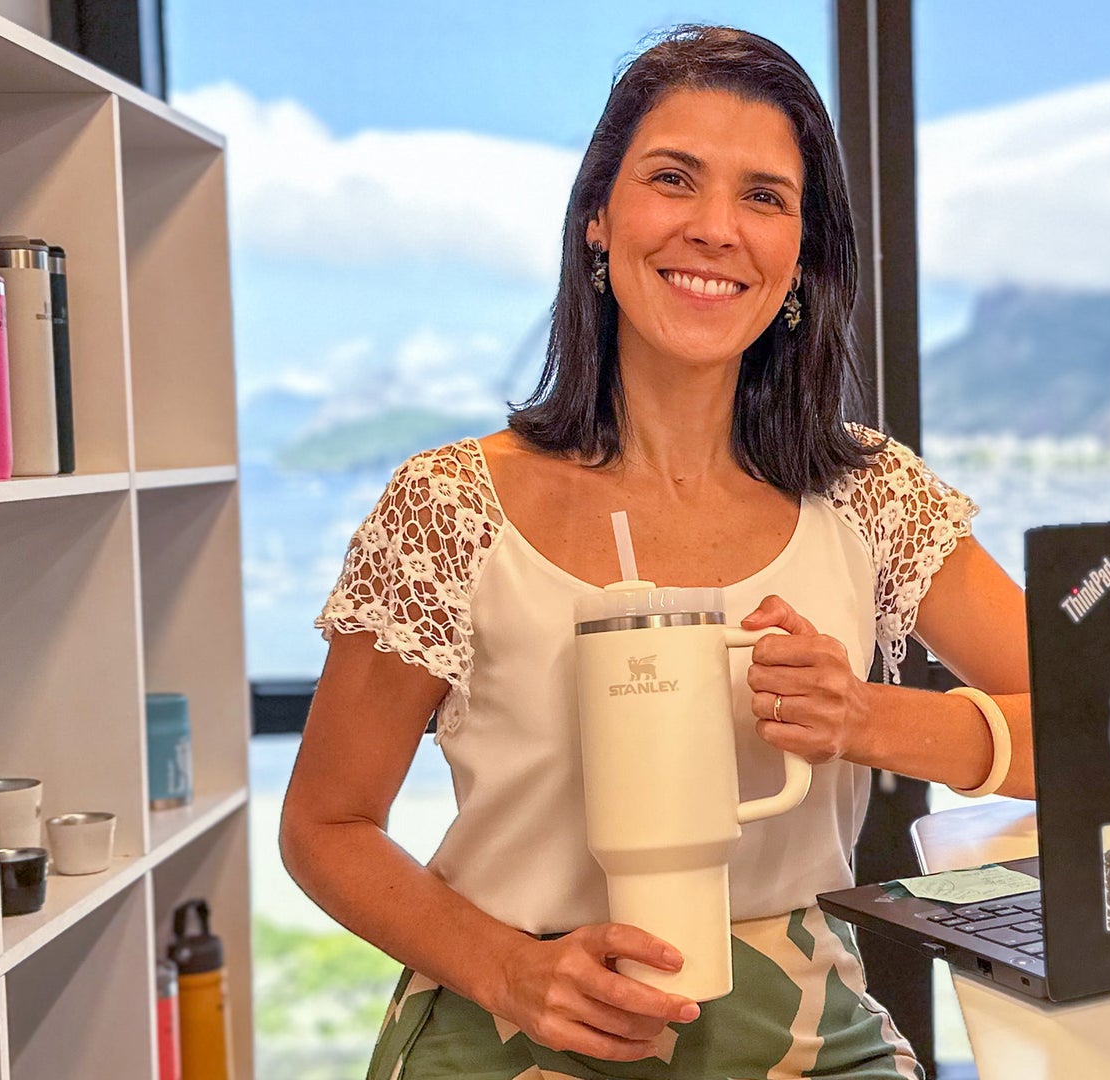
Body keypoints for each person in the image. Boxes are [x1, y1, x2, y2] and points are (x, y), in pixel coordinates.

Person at [283, 24, 1034, 1080]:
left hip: (808, 1033)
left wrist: (868, 718)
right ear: (599, 216)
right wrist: (508, 971)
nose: (716, 229)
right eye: (673, 180)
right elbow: (326, 824)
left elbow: (1108, 732)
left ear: (805, 257)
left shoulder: (872, 497)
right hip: (512, 1025)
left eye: (765, 198)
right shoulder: (449, 506)